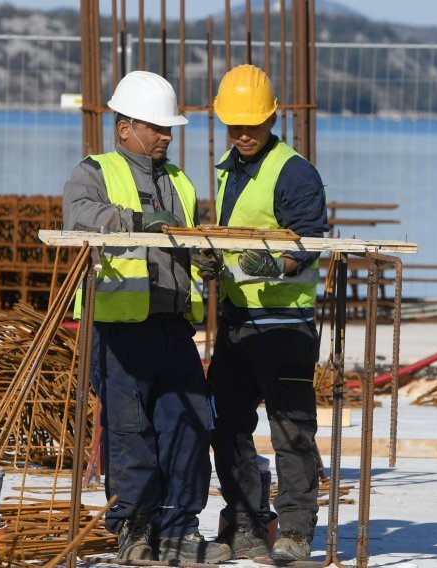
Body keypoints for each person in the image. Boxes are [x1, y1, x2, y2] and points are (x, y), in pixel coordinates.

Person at [62, 70, 231, 564]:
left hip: (172, 326)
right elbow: (80, 217)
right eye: (157, 127)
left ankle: (180, 528)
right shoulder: (93, 173)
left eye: (168, 128)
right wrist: (139, 223)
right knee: (129, 432)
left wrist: (204, 255)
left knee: (188, 424)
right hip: (120, 329)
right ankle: (133, 528)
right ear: (124, 128)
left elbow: (186, 240)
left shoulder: (178, 181)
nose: (166, 136)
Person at [193, 64, 329, 561]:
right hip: (237, 323)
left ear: (273, 118)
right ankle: (248, 521)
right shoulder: (231, 169)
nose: (243, 133)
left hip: (285, 326)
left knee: (291, 430)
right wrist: (210, 260)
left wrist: (278, 263)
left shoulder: (294, 172)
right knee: (226, 426)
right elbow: (233, 241)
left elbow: (311, 241)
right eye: (235, 125)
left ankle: (295, 530)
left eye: (252, 124)